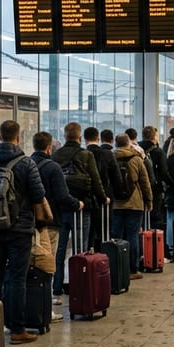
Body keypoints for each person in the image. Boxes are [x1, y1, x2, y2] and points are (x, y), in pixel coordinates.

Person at [0, 119, 47, 344]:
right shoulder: (25, 163)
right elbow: (38, 193)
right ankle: (17, 329)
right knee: (17, 278)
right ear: (18, 137)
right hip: (20, 228)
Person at [30, 130, 81, 321]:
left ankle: (35, 303)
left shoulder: (26, 164)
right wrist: (77, 204)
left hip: (29, 222)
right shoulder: (53, 167)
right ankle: (46, 306)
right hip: (50, 222)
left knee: (32, 265)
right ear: (49, 147)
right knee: (47, 262)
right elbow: (62, 196)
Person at [52, 122, 104, 304]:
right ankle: (78, 285)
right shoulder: (85, 155)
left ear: (65, 136)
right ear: (79, 137)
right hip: (83, 206)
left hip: (61, 208)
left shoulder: (56, 155)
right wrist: (102, 198)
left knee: (59, 250)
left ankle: (57, 286)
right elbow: (95, 179)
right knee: (80, 249)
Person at [112, 133, 152, 278]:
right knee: (132, 236)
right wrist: (149, 200)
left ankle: (117, 268)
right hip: (135, 203)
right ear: (128, 143)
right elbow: (144, 182)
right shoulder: (136, 159)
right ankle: (132, 270)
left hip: (116, 204)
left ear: (116, 144)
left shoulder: (112, 158)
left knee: (116, 237)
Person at [85, 126, 120, 250]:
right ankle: (103, 260)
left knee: (88, 233)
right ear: (98, 138)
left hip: (86, 200)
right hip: (105, 200)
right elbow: (117, 177)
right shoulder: (107, 154)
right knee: (104, 231)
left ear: (84, 139)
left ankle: (88, 260)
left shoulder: (81, 154)